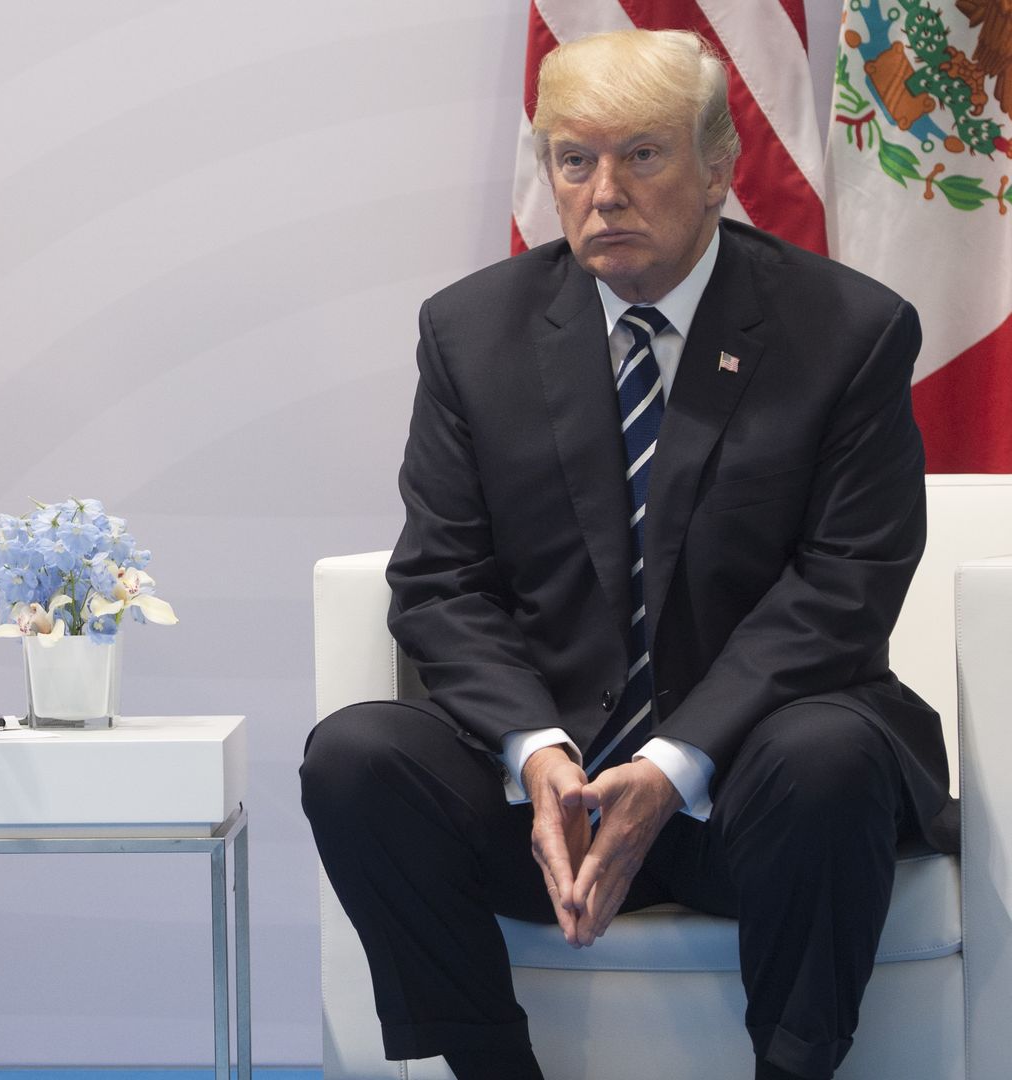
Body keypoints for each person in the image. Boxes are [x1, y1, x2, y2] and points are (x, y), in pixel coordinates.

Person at [300, 29, 957, 1080]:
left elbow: (846, 586)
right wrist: (538, 752)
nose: (603, 192)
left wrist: (671, 762)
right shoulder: (473, 334)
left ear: (717, 168)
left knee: (830, 754)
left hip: (754, 788)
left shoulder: (848, 330)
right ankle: (492, 1067)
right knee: (356, 756)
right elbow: (440, 581)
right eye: (574, 159)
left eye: (641, 156)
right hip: (546, 804)